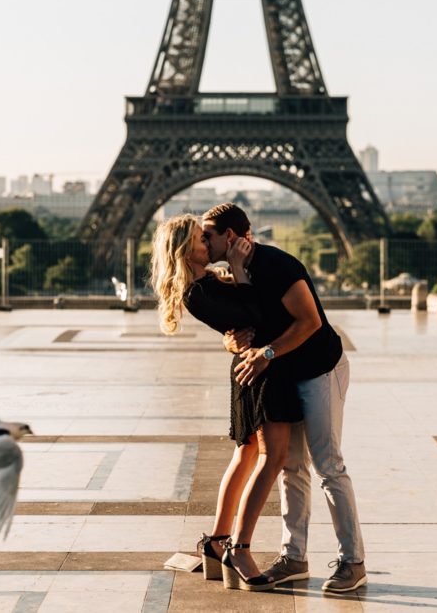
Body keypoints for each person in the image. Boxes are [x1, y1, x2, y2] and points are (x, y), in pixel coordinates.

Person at [202, 202, 368, 594]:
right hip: (284, 375)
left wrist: (267, 353)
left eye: (207, 236)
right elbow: (245, 326)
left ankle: (353, 562)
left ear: (230, 236)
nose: (203, 243)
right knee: (291, 467)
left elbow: (310, 321)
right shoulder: (237, 273)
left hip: (319, 370)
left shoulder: (276, 264)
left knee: (328, 466)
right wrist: (234, 342)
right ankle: (294, 556)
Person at [150, 214, 303, 592]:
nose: (207, 243)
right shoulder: (197, 291)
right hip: (258, 371)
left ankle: (219, 540)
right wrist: (237, 266)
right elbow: (255, 314)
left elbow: (246, 317)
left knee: (248, 454)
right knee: (271, 458)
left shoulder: (207, 283)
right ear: (184, 250)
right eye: (200, 239)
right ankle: (240, 548)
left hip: (255, 365)